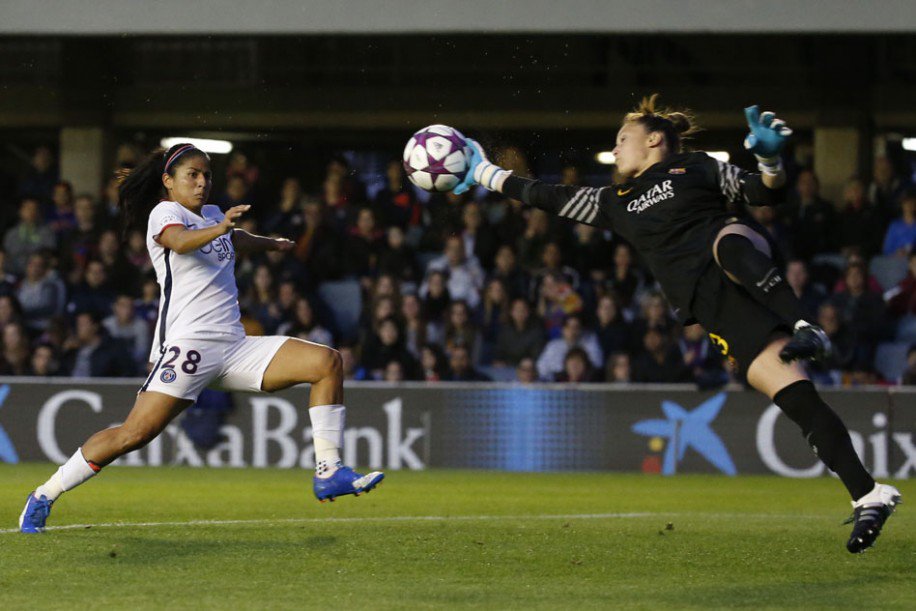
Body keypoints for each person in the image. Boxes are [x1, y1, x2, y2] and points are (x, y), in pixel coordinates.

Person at [452, 95, 900, 553]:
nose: (617, 148)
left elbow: (767, 193)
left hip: (741, 255)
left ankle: (808, 323)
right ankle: (870, 494)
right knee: (801, 405)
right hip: (720, 311)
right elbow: (549, 196)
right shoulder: (614, 201)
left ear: (653, 139)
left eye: (622, 139)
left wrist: (768, 158)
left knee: (725, 245)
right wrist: (485, 173)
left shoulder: (697, 168)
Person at [19, 142, 382, 534]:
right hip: (187, 347)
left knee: (327, 362)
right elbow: (180, 242)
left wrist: (267, 244)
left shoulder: (211, 215)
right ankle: (44, 495)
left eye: (207, 175)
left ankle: (329, 471)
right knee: (132, 434)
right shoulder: (165, 214)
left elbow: (233, 238)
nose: (202, 182)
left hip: (234, 346)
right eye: (192, 174)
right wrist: (222, 227)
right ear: (168, 181)